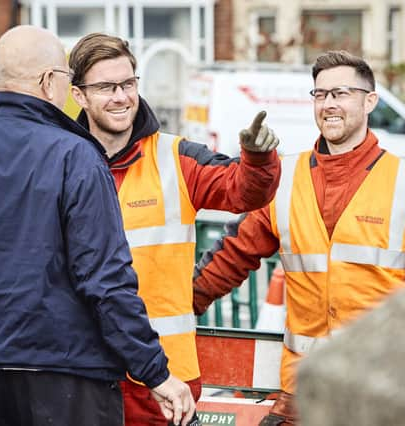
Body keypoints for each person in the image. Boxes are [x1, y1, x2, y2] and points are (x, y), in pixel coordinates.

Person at [0, 25, 195, 426]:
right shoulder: (76, 156)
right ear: (47, 81)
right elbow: (105, 279)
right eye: (63, 78)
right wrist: (155, 372)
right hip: (71, 381)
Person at [192, 50, 405, 425]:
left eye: (341, 93)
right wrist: (175, 311)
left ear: (370, 101)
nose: (329, 104)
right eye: (321, 94)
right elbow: (230, 257)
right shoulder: (284, 180)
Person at [67, 33, 281, 425]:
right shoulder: (63, 161)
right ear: (79, 96)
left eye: (128, 84)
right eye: (105, 87)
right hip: (84, 373)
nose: (120, 97)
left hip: (164, 378)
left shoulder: (175, 158)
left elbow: (242, 191)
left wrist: (258, 159)